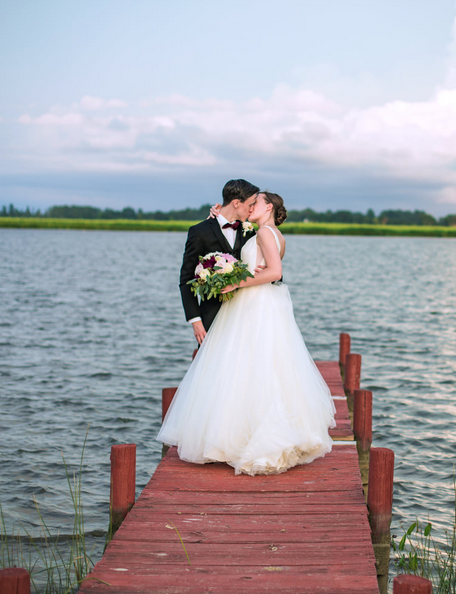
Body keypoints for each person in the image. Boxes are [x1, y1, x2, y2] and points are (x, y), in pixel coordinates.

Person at [157, 191, 336, 476]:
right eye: (249, 203)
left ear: (268, 207)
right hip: (267, 304)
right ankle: (253, 431)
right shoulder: (275, 234)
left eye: (257, 203)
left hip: (254, 304)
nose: (252, 207)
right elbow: (268, 269)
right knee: (265, 366)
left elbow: (275, 272)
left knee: (245, 365)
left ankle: (243, 437)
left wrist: (237, 281)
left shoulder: (264, 232)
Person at [179, 179, 259, 346]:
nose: (252, 209)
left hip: (246, 315)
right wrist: (196, 321)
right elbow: (186, 278)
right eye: (251, 204)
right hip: (211, 317)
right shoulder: (199, 232)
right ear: (236, 203)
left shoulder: (250, 232)